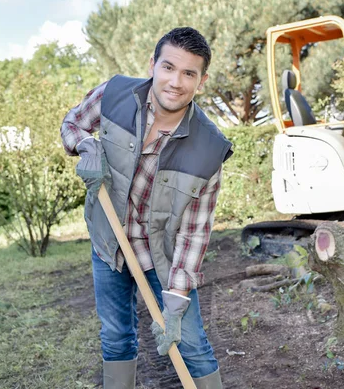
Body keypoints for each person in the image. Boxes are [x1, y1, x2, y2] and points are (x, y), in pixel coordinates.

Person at [60, 27, 232, 389]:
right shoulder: (114, 95)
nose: (176, 81)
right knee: (116, 337)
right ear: (152, 64)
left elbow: (195, 231)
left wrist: (177, 296)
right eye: (168, 67)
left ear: (201, 81)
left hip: (162, 257)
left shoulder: (210, 149)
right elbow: (73, 123)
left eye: (189, 73)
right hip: (109, 241)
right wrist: (86, 148)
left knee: (192, 344)